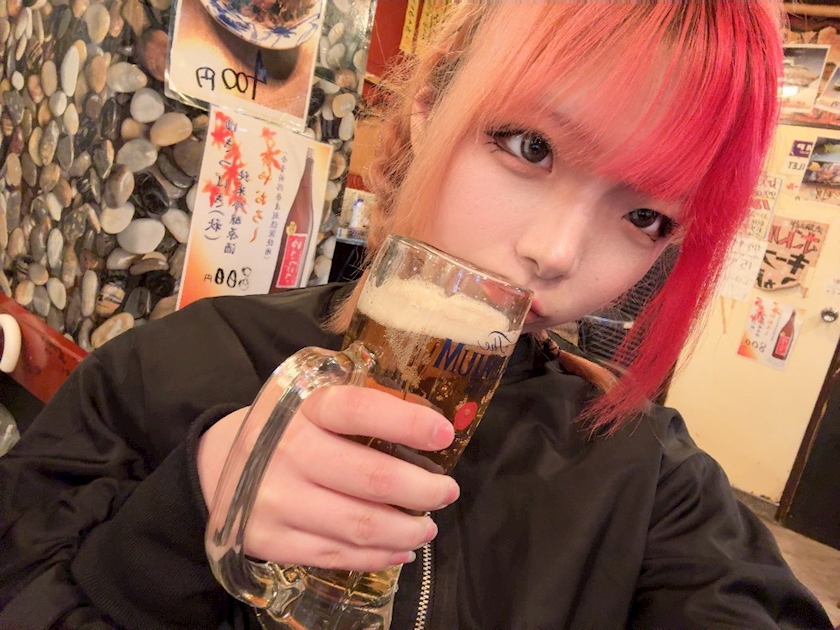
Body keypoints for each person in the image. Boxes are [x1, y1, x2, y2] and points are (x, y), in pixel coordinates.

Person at [0, 2, 834, 629]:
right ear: (430, 107)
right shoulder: (170, 365)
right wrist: (184, 512)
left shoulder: (650, 475)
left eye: (645, 216)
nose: (555, 251)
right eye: (530, 147)